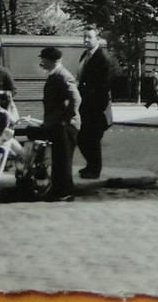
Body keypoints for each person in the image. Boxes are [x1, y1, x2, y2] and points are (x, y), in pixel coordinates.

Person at [38, 47, 81, 202]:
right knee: (58, 159)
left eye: (43, 59)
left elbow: (76, 99)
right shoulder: (54, 75)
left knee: (64, 160)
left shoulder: (63, 76)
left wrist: (66, 119)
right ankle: (59, 191)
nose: (41, 62)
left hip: (65, 126)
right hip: (57, 124)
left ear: (51, 60)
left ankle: (65, 192)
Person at [76, 25, 117, 179]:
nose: (86, 40)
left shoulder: (103, 57)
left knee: (91, 138)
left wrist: (97, 103)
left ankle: (94, 169)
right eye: (84, 36)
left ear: (97, 38)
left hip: (95, 106)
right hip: (84, 104)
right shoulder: (84, 55)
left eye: (89, 37)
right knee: (81, 137)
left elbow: (105, 83)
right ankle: (90, 165)